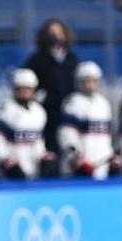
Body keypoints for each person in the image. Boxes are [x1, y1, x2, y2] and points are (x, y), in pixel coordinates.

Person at [0, 68, 55, 180]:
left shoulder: (39, 111)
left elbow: (38, 143)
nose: (24, 92)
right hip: (5, 175)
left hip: (31, 173)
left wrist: (45, 157)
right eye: (20, 89)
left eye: (28, 89)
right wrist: (6, 162)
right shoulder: (4, 110)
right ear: (14, 89)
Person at [58, 61, 121, 179]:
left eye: (93, 80)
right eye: (85, 81)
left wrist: (111, 156)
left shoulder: (104, 103)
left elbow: (107, 135)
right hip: (80, 166)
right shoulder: (73, 102)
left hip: (102, 163)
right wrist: (77, 158)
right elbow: (67, 134)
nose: (89, 84)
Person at [25, 19, 79, 153]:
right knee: (50, 148)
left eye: (58, 32)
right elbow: (27, 82)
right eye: (51, 33)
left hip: (68, 112)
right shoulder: (37, 59)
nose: (55, 36)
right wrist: (41, 97)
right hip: (47, 112)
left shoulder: (72, 59)